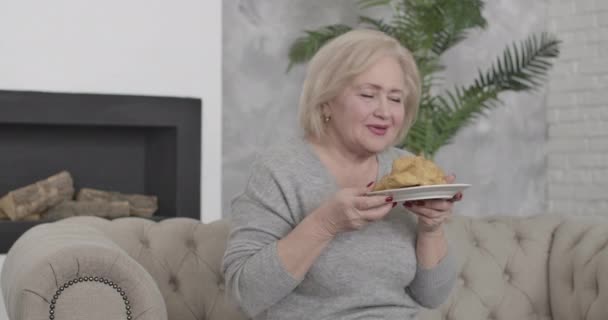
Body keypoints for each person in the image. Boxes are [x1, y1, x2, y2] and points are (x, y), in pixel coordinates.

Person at [222, 29, 461, 320]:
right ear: (326, 101)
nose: (385, 111)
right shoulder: (281, 170)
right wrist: (325, 224)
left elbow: (433, 296)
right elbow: (245, 294)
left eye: (395, 98)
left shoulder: (407, 172)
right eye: (368, 94)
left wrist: (431, 228)